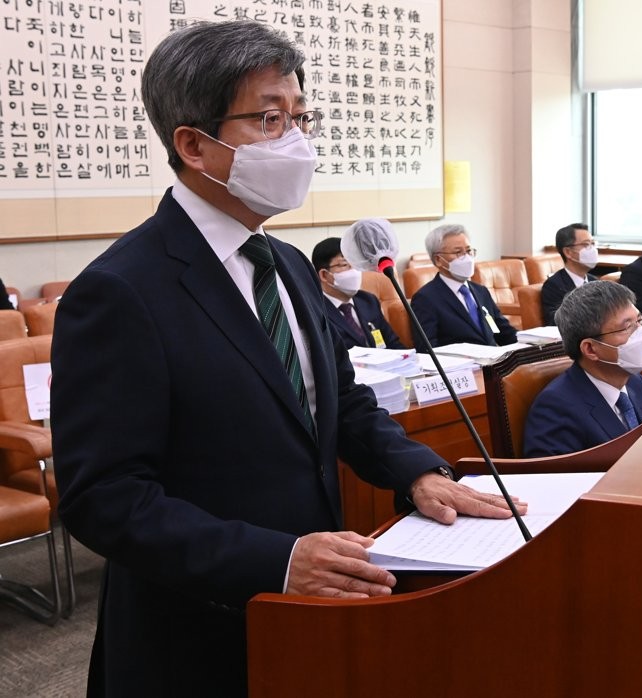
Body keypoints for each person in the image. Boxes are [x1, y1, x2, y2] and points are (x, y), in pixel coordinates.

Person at [50, 21, 522, 697]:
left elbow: (343, 399)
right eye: (271, 119)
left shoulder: (290, 265)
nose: (297, 141)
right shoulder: (121, 291)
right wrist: (278, 558)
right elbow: (105, 499)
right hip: (196, 630)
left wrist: (417, 471)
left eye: (302, 117)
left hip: (313, 607)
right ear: (193, 144)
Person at [523, 281, 642, 457]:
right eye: (627, 327)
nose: (641, 333)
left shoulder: (637, 383)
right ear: (590, 349)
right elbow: (555, 480)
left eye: (640, 320)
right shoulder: (555, 408)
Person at [409, 223, 518, 351]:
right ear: (438, 260)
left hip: (494, 364)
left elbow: (504, 333)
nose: (467, 258)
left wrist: (531, 343)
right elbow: (427, 349)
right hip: (461, 368)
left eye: (468, 251)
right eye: (458, 253)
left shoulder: (480, 291)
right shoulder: (425, 299)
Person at [311, 231, 405, 351]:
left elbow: (393, 343)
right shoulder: (316, 311)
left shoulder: (368, 300)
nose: (354, 271)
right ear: (324, 275)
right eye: (345, 265)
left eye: (355, 264)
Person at [541, 222, 597, 325]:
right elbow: (556, 321)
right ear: (568, 252)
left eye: (592, 244)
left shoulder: (595, 281)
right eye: (586, 244)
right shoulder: (554, 285)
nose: (592, 249)